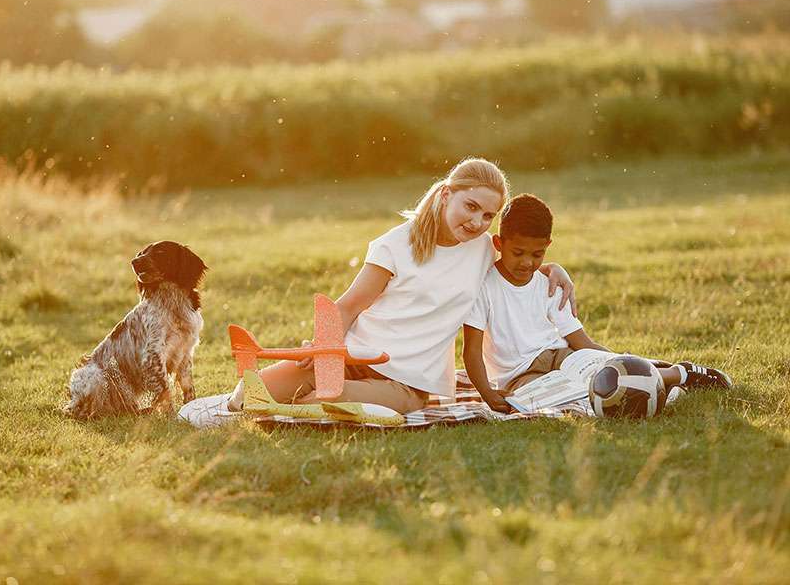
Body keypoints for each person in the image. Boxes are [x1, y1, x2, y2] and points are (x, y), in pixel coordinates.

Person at [218, 158, 576, 417]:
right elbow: (347, 307)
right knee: (245, 397)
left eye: (488, 215)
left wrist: (553, 268)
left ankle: (317, 402)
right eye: (471, 206)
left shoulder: (481, 249)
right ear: (445, 194)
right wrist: (325, 350)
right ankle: (308, 391)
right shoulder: (396, 245)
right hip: (356, 359)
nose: (477, 222)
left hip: (407, 382)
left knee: (319, 401)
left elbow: (518, 265)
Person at [463, 193, 732, 414]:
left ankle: (675, 373)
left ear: (548, 246)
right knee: (551, 402)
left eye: (537, 254)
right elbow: (472, 351)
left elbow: (581, 341)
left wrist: (619, 360)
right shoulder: (483, 288)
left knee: (607, 375)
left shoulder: (549, 284)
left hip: (564, 356)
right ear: (499, 243)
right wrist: (487, 393)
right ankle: (664, 379)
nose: (527, 263)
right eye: (518, 253)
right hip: (521, 376)